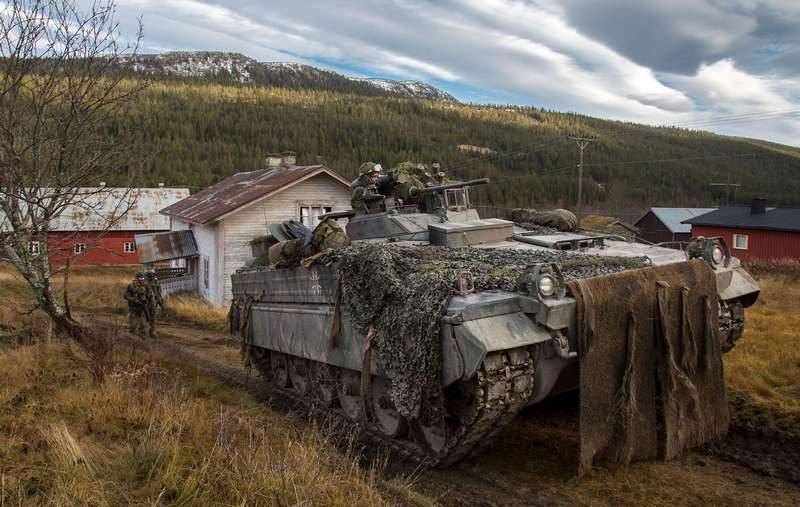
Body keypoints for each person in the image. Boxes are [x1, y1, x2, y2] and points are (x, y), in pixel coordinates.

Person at [124, 272, 148, 337]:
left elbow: (149, 296)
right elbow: (125, 295)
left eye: (142, 277)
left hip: (142, 308)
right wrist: (134, 300)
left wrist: (148, 302)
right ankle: (132, 339)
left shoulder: (146, 285)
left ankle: (142, 338)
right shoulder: (131, 286)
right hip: (133, 308)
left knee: (143, 325)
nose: (141, 279)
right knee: (133, 326)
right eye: (140, 278)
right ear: (137, 278)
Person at [144, 271, 165, 338]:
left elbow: (158, 294)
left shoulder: (156, 283)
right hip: (146, 303)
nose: (151, 277)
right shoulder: (144, 284)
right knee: (146, 318)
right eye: (149, 276)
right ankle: (145, 332)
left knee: (153, 318)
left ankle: (152, 331)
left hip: (153, 303)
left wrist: (161, 303)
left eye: (151, 276)